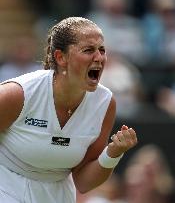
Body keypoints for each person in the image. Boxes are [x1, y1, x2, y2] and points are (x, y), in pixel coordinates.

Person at [0, 17, 138, 203]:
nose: (99, 57)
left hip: (59, 196)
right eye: (88, 50)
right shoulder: (17, 94)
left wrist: (113, 153)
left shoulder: (105, 104)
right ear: (61, 57)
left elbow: (83, 182)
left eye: (102, 50)